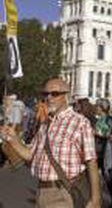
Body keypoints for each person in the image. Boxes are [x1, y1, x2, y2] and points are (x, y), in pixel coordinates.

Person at [0, 78, 101, 208]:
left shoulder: (80, 123)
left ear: (66, 96)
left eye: (54, 94)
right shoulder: (46, 123)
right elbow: (31, 155)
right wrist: (13, 139)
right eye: (45, 94)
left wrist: (95, 198)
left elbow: (91, 161)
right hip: (41, 192)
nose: (49, 98)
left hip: (63, 192)